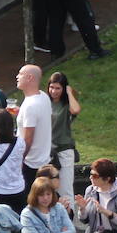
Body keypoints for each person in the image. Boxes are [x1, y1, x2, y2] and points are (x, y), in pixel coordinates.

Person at [45, 71, 80, 205]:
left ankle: (69, 221)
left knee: (65, 189)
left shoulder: (66, 105)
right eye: (51, 87)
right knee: (46, 188)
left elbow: (76, 110)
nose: (53, 91)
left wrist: (69, 92)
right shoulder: (44, 102)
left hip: (64, 150)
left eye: (58, 88)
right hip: (46, 151)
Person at [14, 65, 51, 190]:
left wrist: (19, 160)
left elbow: (28, 139)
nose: (17, 76)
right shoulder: (44, 97)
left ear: (29, 78)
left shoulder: (31, 105)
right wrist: (21, 113)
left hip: (30, 163)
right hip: (44, 160)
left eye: (20, 74)